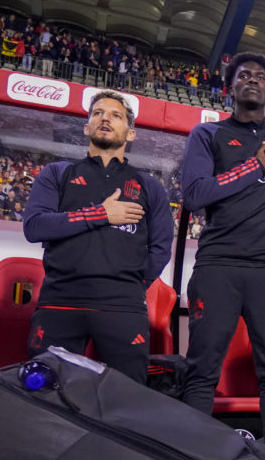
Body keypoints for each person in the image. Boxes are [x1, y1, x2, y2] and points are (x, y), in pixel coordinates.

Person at [179, 52, 265, 454]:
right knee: (202, 371)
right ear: (231, 87)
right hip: (218, 266)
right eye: (244, 76)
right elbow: (194, 195)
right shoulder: (207, 136)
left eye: (260, 77)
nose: (252, 80)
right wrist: (254, 167)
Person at [23, 90, 172, 382]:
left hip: (123, 306)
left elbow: (161, 248)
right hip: (60, 302)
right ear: (86, 127)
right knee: (45, 399)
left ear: (130, 134)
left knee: (127, 401)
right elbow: (35, 226)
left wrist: (130, 287)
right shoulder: (58, 173)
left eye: (116, 115)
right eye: (97, 113)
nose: (105, 118)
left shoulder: (148, 186)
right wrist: (101, 215)